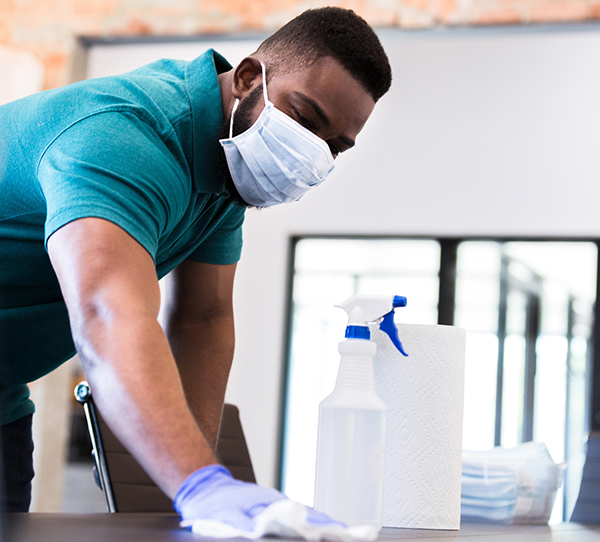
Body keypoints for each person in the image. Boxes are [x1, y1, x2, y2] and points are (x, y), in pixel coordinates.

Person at [0, 6, 392, 527]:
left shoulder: (224, 174)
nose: (314, 154)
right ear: (250, 78)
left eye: (336, 147)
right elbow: (106, 312)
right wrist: (199, 485)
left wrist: (194, 498)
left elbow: (204, 318)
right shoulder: (124, 137)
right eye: (305, 118)